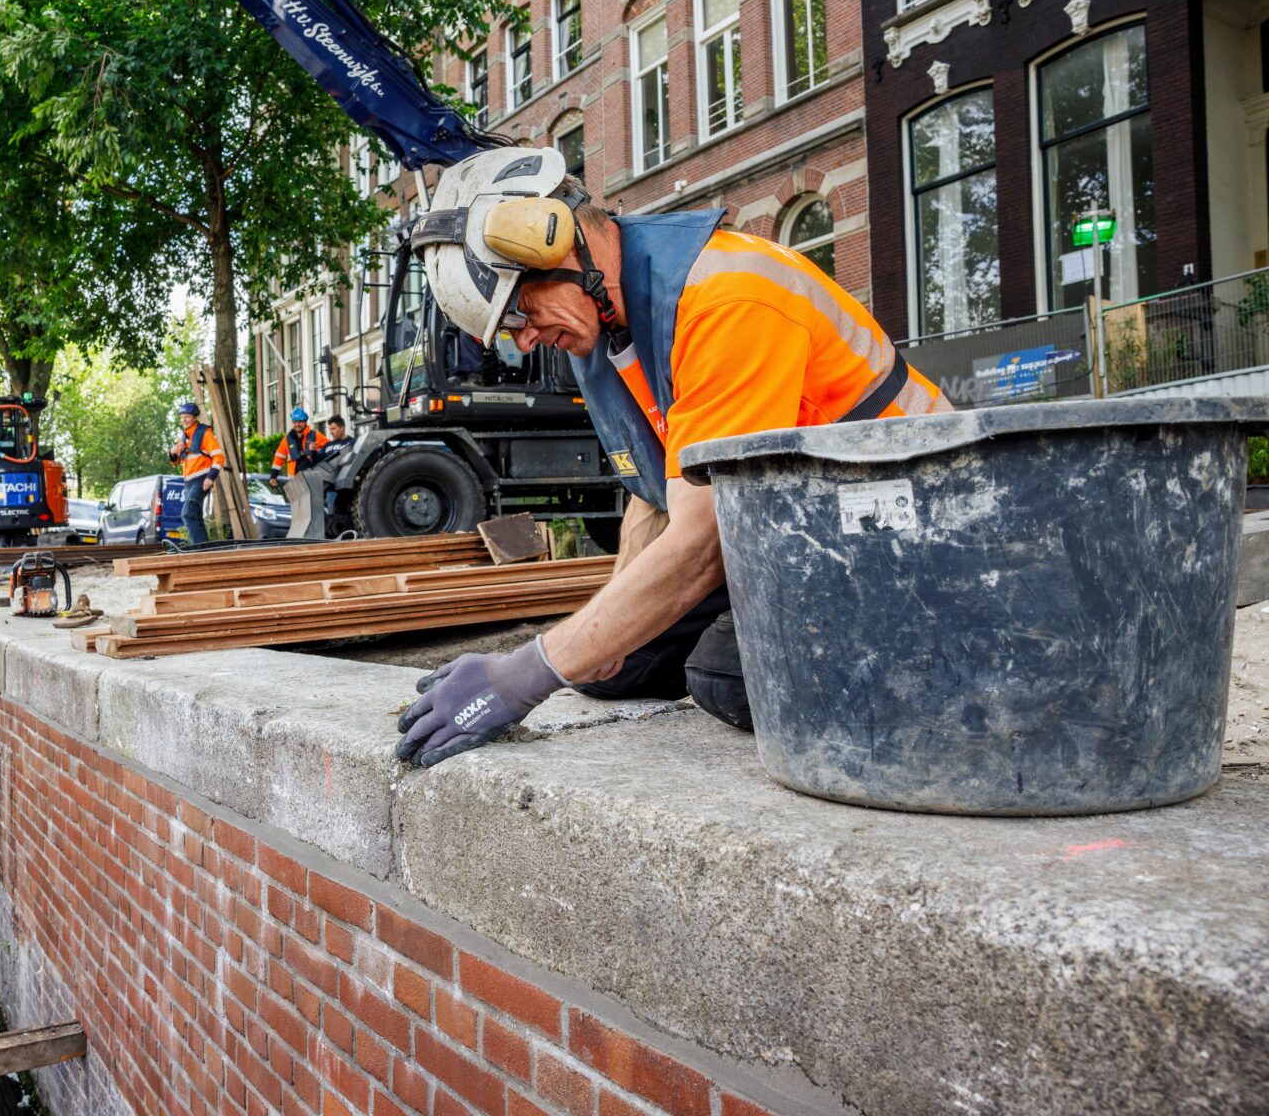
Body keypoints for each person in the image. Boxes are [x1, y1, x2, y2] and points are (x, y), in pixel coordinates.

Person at [395, 146, 952, 767]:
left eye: (519, 310)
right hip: (794, 525)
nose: (524, 339)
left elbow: (701, 544)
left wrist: (526, 674)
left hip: (908, 528)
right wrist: (601, 640)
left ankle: (943, 649)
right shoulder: (605, 329)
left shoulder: (724, 300)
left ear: (559, 247)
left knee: (726, 674)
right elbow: (651, 489)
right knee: (609, 669)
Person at [168, 402, 225, 544]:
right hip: (189, 482)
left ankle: (198, 550)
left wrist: (210, 478)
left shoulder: (205, 433)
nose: (184, 420)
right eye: (182, 417)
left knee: (187, 514)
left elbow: (219, 456)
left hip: (201, 479)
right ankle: (204, 548)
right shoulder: (184, 437)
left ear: (194, 418)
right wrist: (173, 452)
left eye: (187, 417)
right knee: (196, 516)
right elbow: (176, 462)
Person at [268, 408, 328, 485]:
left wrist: (316, 452)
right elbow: (279, 458)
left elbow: (329, 449)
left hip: (313, 481)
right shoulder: (287, 439)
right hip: (295, 484)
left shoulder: (316, 435)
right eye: (295, 422)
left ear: (305, 422)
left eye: (300, 422)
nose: (297, 424)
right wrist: (273, 476)